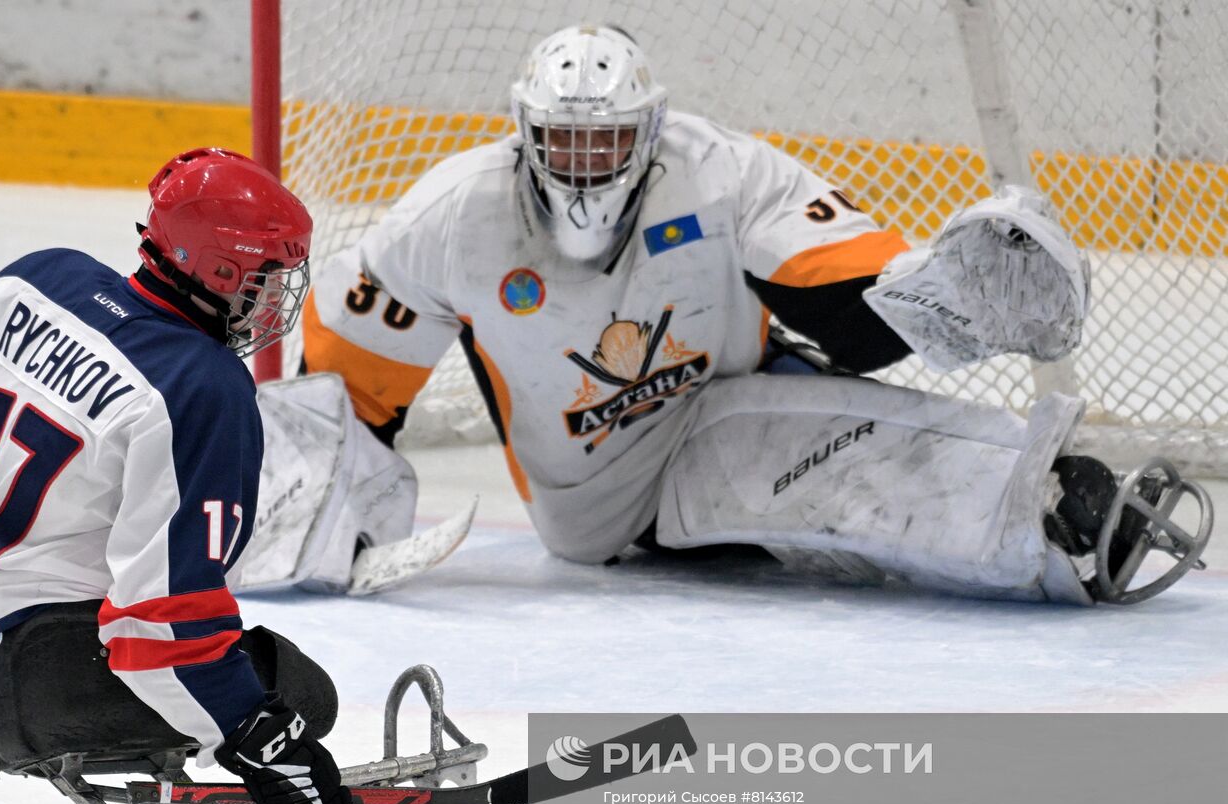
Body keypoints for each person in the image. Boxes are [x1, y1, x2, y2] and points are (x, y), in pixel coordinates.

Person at [298, 24, 1211, 604]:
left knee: (818, 439)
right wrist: (322, 522)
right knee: (828, 444)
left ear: (650, 131)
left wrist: (938, 288)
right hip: (598, 503)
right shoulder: (450, 219)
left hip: (728, 401)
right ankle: (1047, 520)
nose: (584, 163)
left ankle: (1035, 516)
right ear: (524, 133)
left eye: (606, 139)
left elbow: (843, 301)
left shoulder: (719, 171)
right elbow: (350, 388)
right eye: (564, 140)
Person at [0, 148, 352, 804]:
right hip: (71, 679)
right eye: (266, 279)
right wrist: (260, 738)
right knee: (302, 689)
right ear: (219, 269)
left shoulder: (41, 280)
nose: (273, 302)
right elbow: (161, 622)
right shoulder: (200, 385)